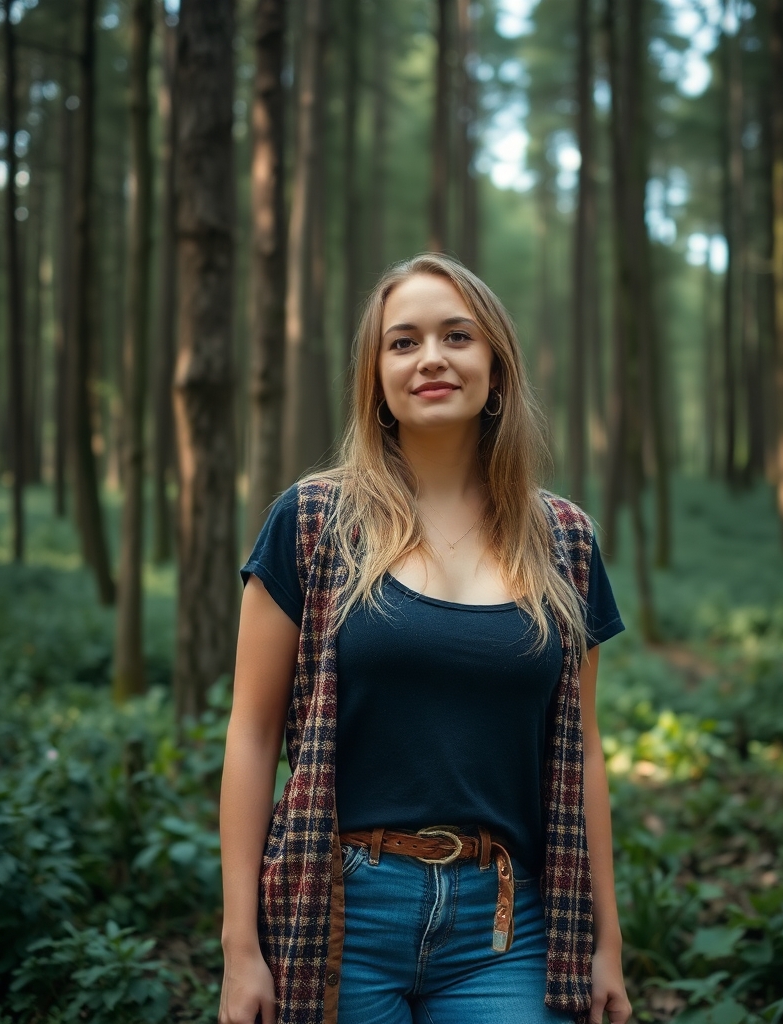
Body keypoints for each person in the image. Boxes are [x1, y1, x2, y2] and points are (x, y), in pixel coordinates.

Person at [218, 253, 631, 1024]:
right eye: (403, 342)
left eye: (457, 336)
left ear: (496, 369)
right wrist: (240, 948)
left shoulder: (565, 541)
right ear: (376, 378)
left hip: (504, 922)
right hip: (341, 911)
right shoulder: (311, 523)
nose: (431, 357)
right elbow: (251, 734)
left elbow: (582, 753)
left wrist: (606, 940)